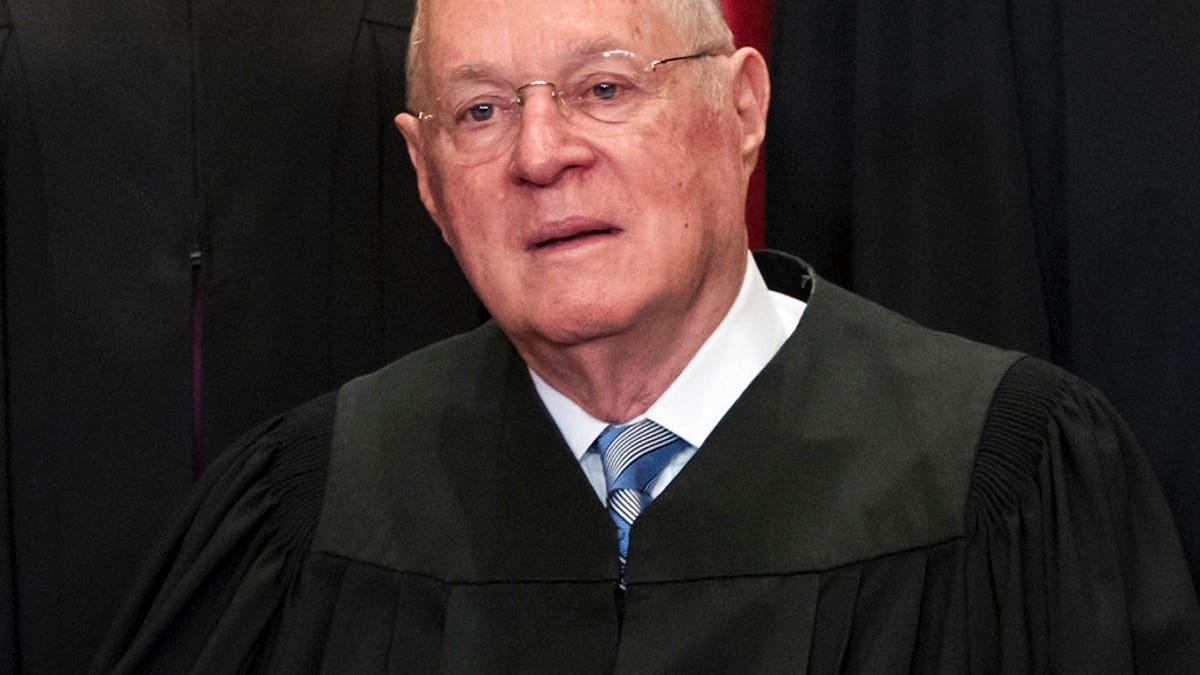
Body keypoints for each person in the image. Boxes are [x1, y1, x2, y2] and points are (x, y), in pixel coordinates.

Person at [92, 0, 1200, 672]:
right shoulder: (303, 513)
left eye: (604, 87)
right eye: (478, 111)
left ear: (744, 107)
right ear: (426, 178)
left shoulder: (1008, 484)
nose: (542, 153)